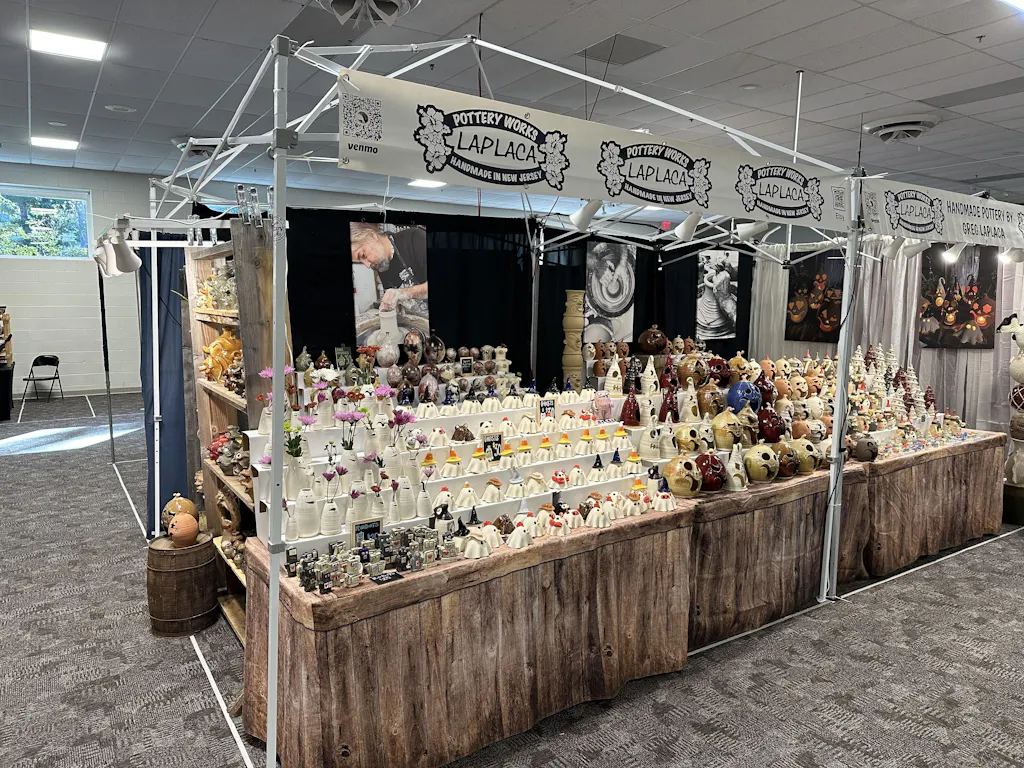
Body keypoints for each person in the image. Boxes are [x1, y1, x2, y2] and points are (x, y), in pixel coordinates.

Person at [350, 223, 428, 311]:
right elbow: (395, 302)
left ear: (372, 236)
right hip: (413, 316)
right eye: (360, 262)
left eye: (363, 255)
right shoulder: (380, 264)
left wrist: (404, 293)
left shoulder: (416, 238)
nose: (367, 265)